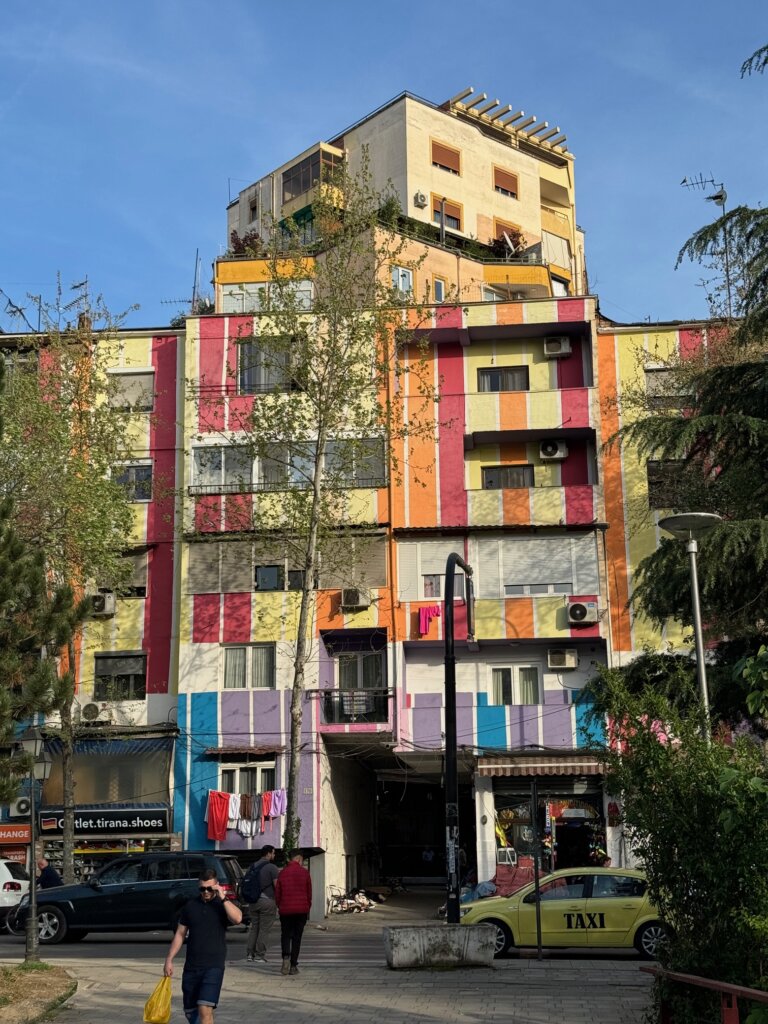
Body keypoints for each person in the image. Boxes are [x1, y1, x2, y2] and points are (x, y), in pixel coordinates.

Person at [164, 868, 242, 1024]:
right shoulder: (191, 906)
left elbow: (238, 918)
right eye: (202, 888)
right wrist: (169, 959)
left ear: (216, 886)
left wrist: (223, 897)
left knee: (204, 1008)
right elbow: (180, 934)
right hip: (192, 966)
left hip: (214, 966)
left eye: (209, 888)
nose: (205, 892)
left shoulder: (222, 905)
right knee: (191, 1013)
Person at [274, 849, 312, 976]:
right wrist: (307, 907)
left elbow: (278, 893)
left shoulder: (282, 873)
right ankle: (293, 965)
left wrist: (280, 906)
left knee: (285, 935)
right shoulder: (305, 873)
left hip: (285, 910)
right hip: (301, 910)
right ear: (299, 859)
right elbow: (309, 893)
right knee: (297, 937)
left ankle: (285, 957)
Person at [244, 845, 280, 963]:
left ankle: (250, 954)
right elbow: (277, 886)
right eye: (273, 853)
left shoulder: (252, 866)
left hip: (253, 902)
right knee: (264, 929)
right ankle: (260, 955)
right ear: (268, 854)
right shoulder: (272, 868)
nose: (274, 855)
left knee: (254, 928)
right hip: (267, 901)